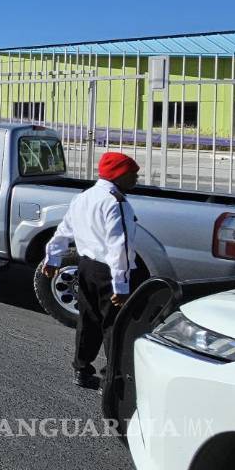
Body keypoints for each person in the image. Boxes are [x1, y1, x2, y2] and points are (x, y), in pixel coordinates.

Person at [42, 152, 141, 389]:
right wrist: (122, 285)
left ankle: (81, 369)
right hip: (108, 271)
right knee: (114, 325)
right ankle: (112, 379)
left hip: (85, 267)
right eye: (133, 174)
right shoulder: (116, 202)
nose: (136, 179)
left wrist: (53, 258)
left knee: (88, 320)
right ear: (120, 174)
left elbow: (64, 230)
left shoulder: (83, 197)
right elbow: (120, 248)